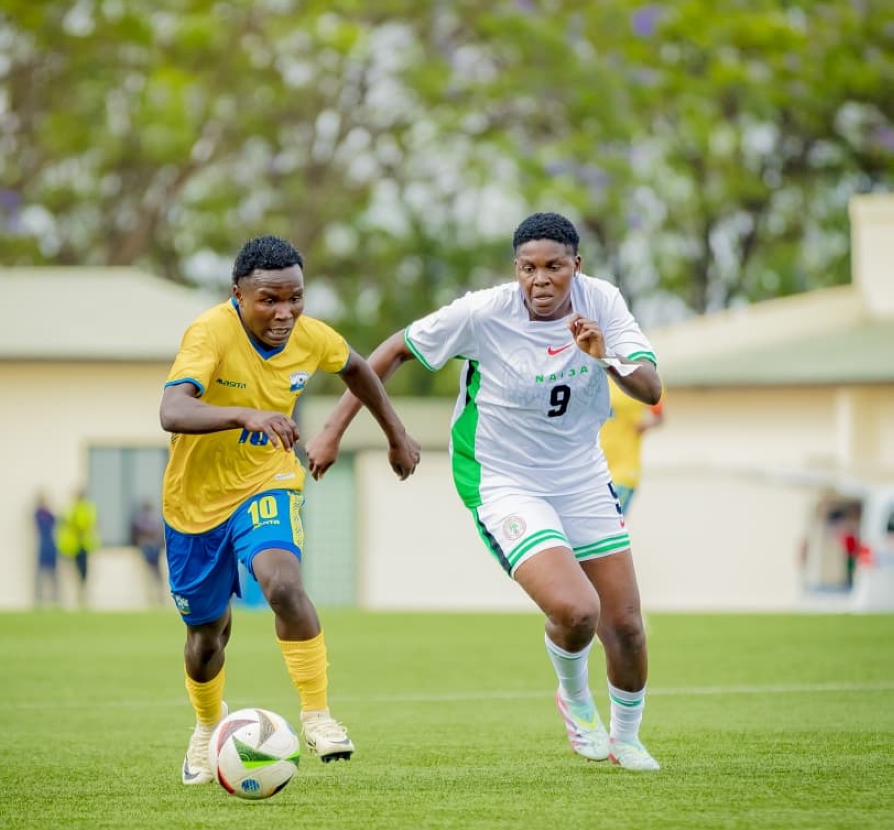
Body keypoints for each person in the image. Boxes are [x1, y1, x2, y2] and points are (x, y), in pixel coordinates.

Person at [306, 212, 663, 771]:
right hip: (503, 477)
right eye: (528, 268)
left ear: (577, 266)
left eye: (554, 267)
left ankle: (628, 740)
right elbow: (390, 351)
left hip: (582, 474)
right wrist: (336, 430)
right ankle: (573, 696)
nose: (540, 280)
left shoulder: (604, 302)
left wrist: (605, 354)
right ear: (515, 269)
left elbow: (650, 386)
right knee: (577, 610)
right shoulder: (483, 313)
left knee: (628, 627)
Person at [160, 233, 420, 785]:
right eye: (270, 300)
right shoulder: (209, 332)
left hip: (267, 479)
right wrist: (246, 414)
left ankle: (318, 716)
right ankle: (208, 728)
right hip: (194, 502)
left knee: (282, 583)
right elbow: (172, 409)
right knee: (207, 637)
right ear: (238, 295)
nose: (285, 313)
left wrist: (396, 435)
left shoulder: (311, 337)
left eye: (295, 298)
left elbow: (357, 369)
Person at [599, 379, 664, 516]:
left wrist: (646, 425)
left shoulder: (641, 377)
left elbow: (659, 416)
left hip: (624, 468)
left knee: (609, 520)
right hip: (595, 467)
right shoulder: (597, 375)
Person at [57, 488, 100, 609]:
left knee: (84, 574)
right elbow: (68, 524)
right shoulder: (71, 508)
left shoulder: (88, 508)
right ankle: (71, 601)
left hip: (84, 547)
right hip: (72, 547)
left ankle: (82, 599)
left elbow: (92, 524)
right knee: (72, 575)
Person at [130, 499, 166, 607]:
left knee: (154, 573)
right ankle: (154, 596)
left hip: (152, 548)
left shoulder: (152, 519)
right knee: (152, 573)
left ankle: (157, 596)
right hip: (149, 548)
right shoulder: (146, 519)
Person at [32, 491, 60, 607]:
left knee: (54, 576)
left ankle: (56, 601)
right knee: (40, 575)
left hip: (51, 547)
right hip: (43, 547)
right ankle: (38, 600)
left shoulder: (50, 514)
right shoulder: (38, 514)